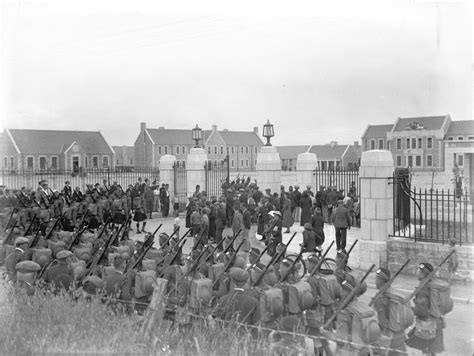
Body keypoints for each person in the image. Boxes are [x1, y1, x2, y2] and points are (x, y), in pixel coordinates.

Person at [406, 262, 445, 355]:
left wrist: (410, 309)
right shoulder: (431, 285)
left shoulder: (423, 289)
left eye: (419, 271)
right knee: (431, 351)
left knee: (426, 350)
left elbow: (421, 311)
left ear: (424, 274)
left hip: (427, 325)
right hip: (436, 322)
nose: (417, 273)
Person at [373, 267, 408, 356]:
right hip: (400, 335)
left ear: (382, 280)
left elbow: (381, 322)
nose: (375, 281)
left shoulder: (380, 298)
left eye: (377, 278)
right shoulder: (395, 294)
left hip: (387, 336)